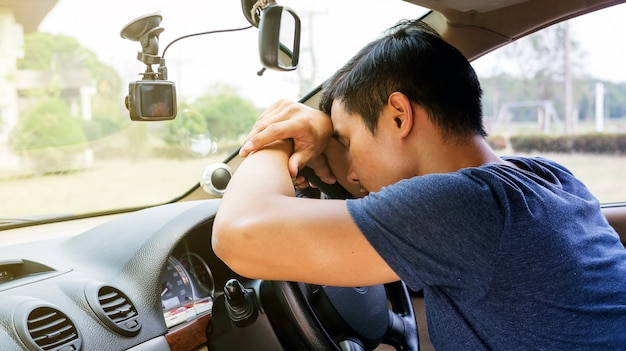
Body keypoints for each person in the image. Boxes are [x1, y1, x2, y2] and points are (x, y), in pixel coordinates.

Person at [213, 20, 626, 349]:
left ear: (399, 115)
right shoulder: (546, 177)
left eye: (346, 141)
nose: (350, 173)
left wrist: (283, 135)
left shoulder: (459, 205)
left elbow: (238, 235)